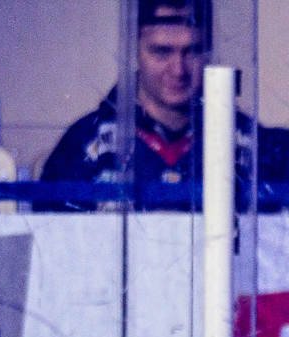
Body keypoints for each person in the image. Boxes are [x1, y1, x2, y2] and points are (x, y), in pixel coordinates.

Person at [39, 0, 263, 206]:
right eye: (161, 52)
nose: (178, 70)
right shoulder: (84, 146)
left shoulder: (247, 143)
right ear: (135, 50)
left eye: (192, 51)